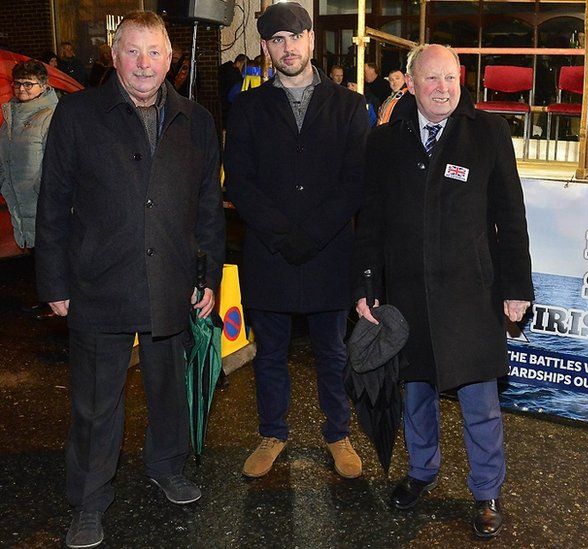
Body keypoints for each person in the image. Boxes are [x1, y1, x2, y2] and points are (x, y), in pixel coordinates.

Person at [34, 11, 224, 549]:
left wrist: (207, 275)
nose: (144, 64)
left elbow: (209, 206)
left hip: (172, 277)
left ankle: (167, 466)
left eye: (154, 52)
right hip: (98, 281)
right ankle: (89, 501)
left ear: (171, 58)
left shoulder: (198, 121)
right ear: (114, 58)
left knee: (169, 389)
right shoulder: (77, 115)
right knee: (96, 402)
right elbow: (53, 205)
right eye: (133, 52)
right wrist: (54, 282)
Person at [353, 43, 533, 538]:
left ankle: (486, 491)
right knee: (416, 395)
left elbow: (510, 218)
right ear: (409, 85)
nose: (443, 88)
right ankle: (421, 472)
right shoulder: (385, 143)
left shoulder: (490, 134)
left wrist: (517, 286)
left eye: (451, 78)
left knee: (480, 401)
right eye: (431, 79)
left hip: (472, 294)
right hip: (407, 295)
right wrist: (367, 286)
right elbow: (370, 223)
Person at [223, 1, 368, 481]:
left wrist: (314, 234)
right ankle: (272, 432)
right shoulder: (246, 107)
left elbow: (355, 181)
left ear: (311, 39)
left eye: (296, 37)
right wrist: (284, 235)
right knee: (270, 352)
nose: (288, 48)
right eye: (277, 40)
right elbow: (240, 182)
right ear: (266, 47)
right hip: (270, 252)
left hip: (329, 253)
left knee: (333, 351)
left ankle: (337, 433)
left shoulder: (349, 106)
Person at [1, 60, 58, 251]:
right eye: (17, 83)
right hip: (19, 204)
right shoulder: (11, 116)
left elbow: (57, 166)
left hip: (43, 206)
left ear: (43, 85)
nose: (21, 89)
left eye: (28, 84)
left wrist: (42, 192)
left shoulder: (51, 117)